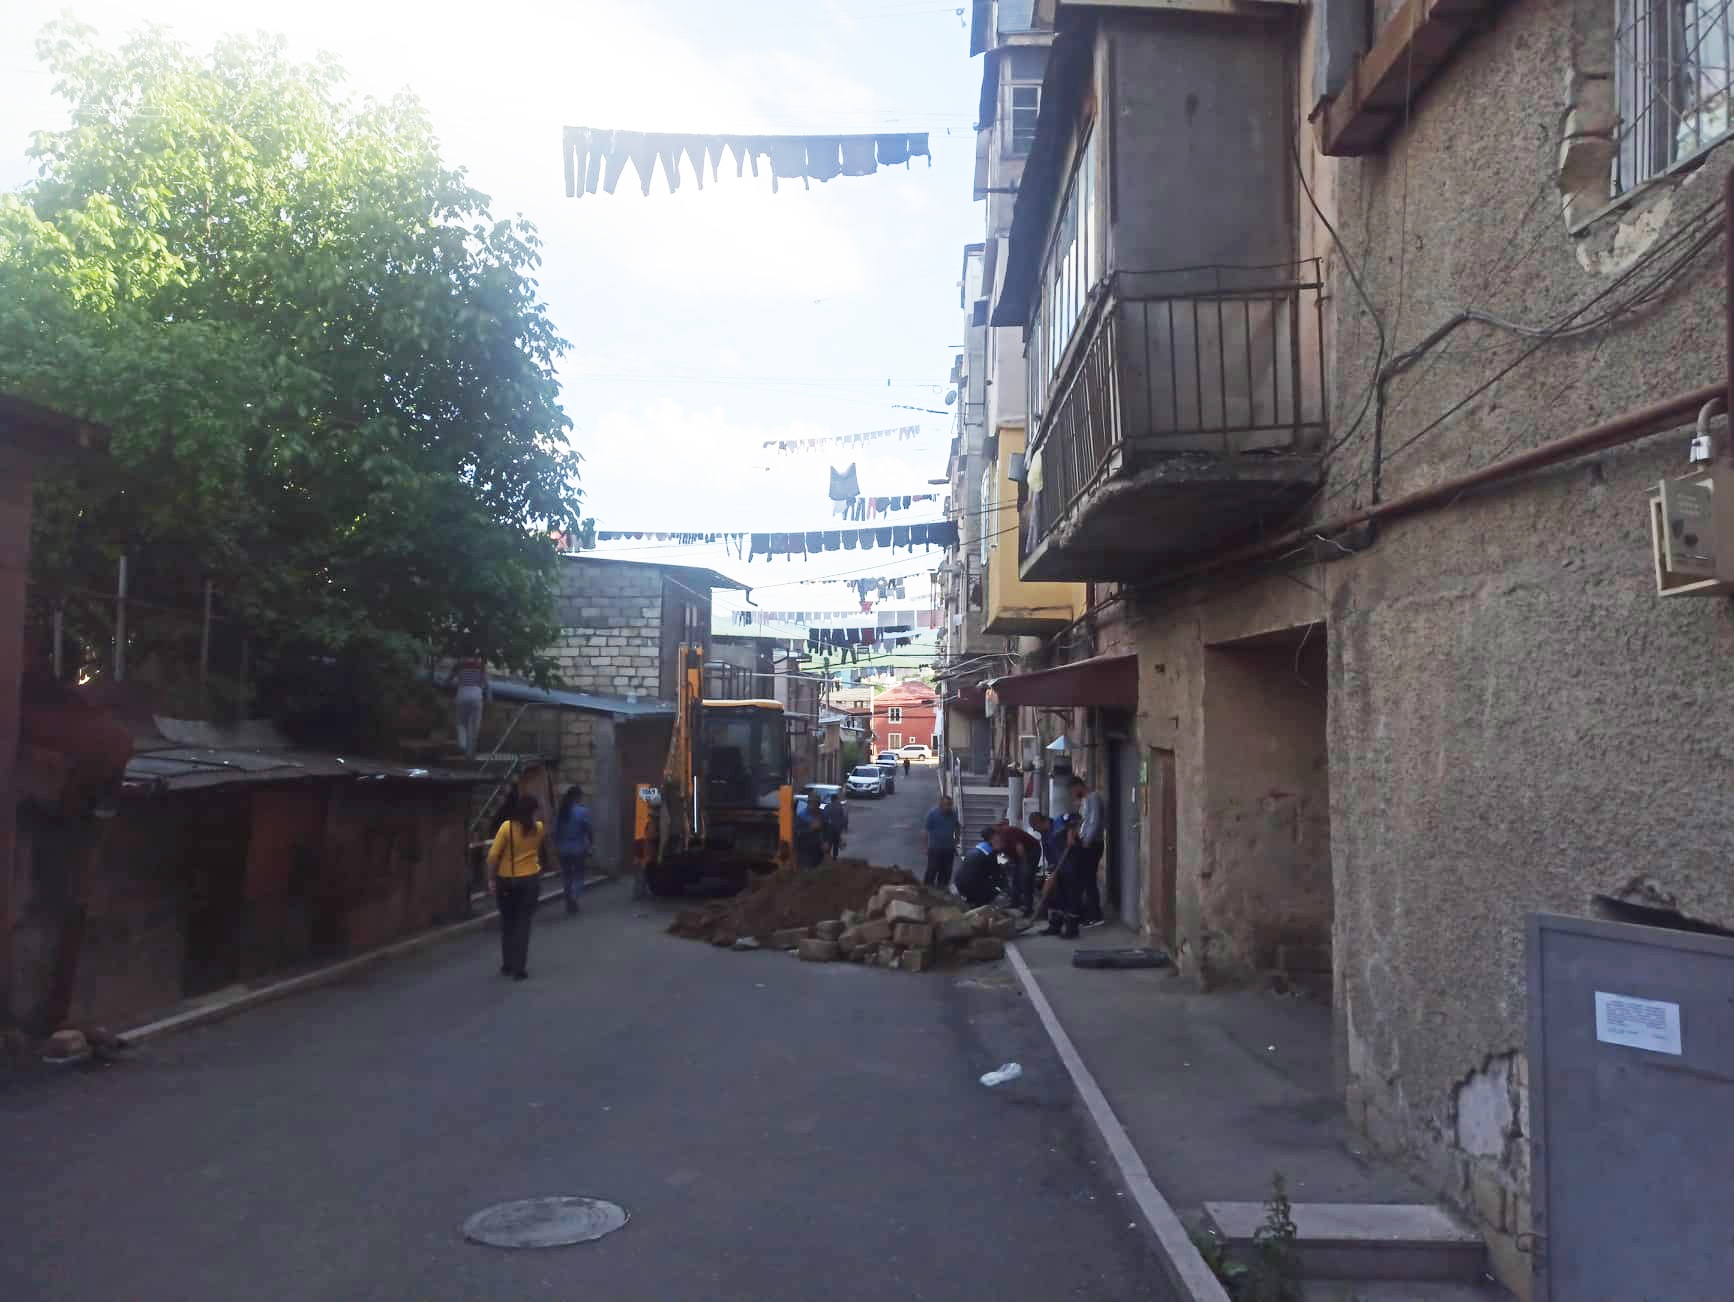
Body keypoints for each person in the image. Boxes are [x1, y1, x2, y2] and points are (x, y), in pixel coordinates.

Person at [488, 792, 553, 980]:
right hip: (530, 880)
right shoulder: (537, 829)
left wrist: (491, 879)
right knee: (523, 923)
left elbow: (492, 857)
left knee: (508, 922)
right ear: (533, 812)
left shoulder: (506, 828)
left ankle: (507, 963)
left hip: (506, 880)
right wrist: (544, 804)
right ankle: (520, 968)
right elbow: (548, 825)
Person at [1071, 776, 1107, 927]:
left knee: (1089, 879)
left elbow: (1095, 821)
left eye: (1073, 790)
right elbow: (1085, 821)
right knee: (1084, 879)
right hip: (1085, 842)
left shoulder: (1093, 798)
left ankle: (1095, 915)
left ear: (1078, 786)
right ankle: (1087, 913)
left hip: (1092, 844)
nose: (1073, 794)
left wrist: (1088, 840)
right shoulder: (1085, 800)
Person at [554, 785, 593, 916]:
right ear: (577, 797)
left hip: (562, 849)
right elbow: (588, 828)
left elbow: (555, 831)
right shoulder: (582, 811)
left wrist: (556, 846)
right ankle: (574, 897)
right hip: (578, 849)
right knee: (578, 875)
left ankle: (568, 898)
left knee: (567, 876)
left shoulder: (561, 811)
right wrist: (591, 842)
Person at [998, 819, 1043, 915]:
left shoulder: (1008, 832)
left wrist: (1024, 863)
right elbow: (1007, 852)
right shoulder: (998, 839)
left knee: (1026, 878)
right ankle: (1015, 902)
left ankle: (1028, 907)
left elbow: (1020, 847)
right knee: (1016, 877)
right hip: (1019, 855)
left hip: (1031, 851)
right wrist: (1013, 862)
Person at [450, 654, 489, 758]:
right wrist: (489, 696)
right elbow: (486, 684)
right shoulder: (480, 666)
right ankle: (470, 753)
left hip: (462, 694)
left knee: (461, 723)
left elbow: (449, 680)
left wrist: (444, 682)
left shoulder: (459, 665)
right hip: (476, 695)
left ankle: (462, 744)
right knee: (474, 726)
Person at [953, 826, 1003, 907]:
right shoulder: (989, 853)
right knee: (997, 885)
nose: (1000, 840)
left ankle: (972, 900)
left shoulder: (977, 847)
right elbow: (996, 875)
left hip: (959, 885)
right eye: (998, 838)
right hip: (971, 888)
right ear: (992, 839)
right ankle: (979, 904)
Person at [923, 793, 961, 888]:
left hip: (949, 848)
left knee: (946, 871)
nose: (948, 807)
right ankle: (927, 889)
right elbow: (926, 831)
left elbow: (957, 826)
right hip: (935, 848)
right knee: (932, 870)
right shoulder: (932, 814)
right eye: (946, 804)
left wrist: (956, 840)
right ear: (941, 804)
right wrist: (926, 847)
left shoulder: (953, 814)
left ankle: (942, 889)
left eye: (950, 804)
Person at [821, 792, 849, 860]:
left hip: (829, 828)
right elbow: (843, 818)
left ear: (831, 799)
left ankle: (827, 858)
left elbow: (824, 816)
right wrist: (844, 827)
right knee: (836, 844)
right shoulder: (840, 807)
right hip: (837, 829)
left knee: (829, 843)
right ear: (836, 799)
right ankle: (834, 858)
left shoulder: (828, 806)